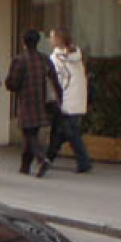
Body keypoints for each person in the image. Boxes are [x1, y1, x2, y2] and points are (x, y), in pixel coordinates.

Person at [4, 29, 62, 177]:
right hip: (44, 101)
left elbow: (13, 83)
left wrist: (9, 84)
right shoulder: (45, 59)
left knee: (28, 132)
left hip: (27, 99)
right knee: (31, 132)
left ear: (24, 42)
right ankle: (25, 166)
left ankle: (41, 158)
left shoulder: (20, 59)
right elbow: (55, 80)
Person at [44, 28, 93, 174]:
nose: (49, 39)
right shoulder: (76, 55)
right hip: (77, 98)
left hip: (66, 99)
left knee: (69, 132)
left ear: (58, 39)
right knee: (62, 131)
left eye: (52, 36)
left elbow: (57, 80)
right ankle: (48, 157)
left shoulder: (56, 59)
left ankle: (83, 161)